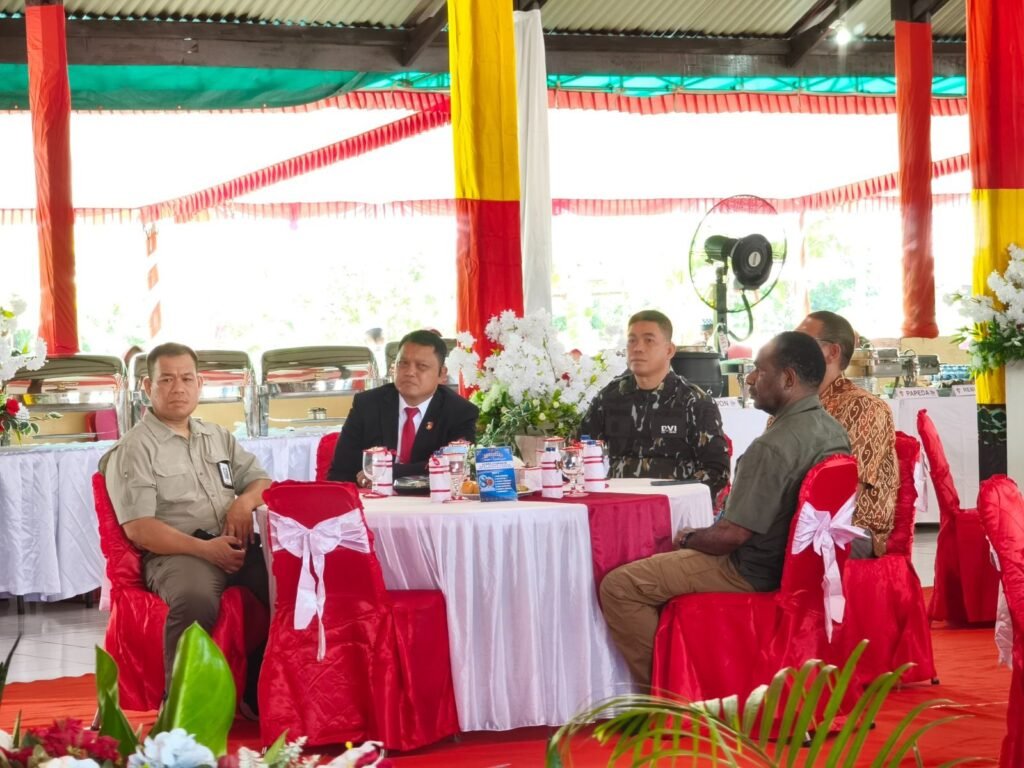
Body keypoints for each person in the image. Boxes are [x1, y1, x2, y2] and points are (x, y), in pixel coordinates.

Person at [599, 331, 851, 688]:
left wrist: (688, 537)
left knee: (620, 585)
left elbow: (730, 537)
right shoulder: (833, 431)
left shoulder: (772, 447)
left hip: (750, 571)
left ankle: (672, 697)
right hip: (805, 569)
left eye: (758, 371)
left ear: (788, 379)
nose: (749, 379)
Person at [99, 342, 271, 706]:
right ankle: (178, 706)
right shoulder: (135, 448)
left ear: (200, 383)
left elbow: (261, 481)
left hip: (232, 544)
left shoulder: (216, 435)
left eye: (186, 378)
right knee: (194, 600)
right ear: (147, 387)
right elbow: (140, 529)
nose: (178, 387)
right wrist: (206, 550)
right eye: (167, 379)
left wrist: (243, 503)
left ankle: (257, 690)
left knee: (289, 584)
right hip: (176, 552)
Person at [579, 309, 730, 499]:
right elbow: (580, 452)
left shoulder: (694, 402)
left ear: (669, 350)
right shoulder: (608, 398)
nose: (638, 348)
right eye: (632, 340)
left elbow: (717, 471)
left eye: (648, 340)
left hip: (674, 508)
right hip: (617, 504)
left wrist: (677, 498)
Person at [795, 310, 898, 558]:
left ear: (832, 352)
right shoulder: (791, 403)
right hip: (795, 519)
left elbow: (846, 490)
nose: (791, 350)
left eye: (802, 342)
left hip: (850, 529)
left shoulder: (864, 407)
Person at [328, 329, 478, 485]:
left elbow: (456, 466)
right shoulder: (367, 404)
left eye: (422, 366)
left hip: (430, 502)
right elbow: (340, 470)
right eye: (403, 363)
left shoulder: (460, 412)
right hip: (374, 503)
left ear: (442, 374)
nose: (410, 372)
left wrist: (389, 472)